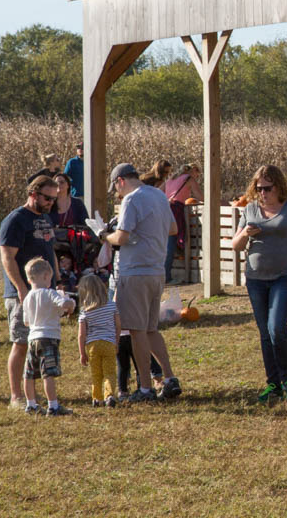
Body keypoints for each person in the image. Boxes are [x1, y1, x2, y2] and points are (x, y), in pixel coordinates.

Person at [230, 165, 287, 403]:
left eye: (267, 188)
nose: (263, 193)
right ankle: (273, 383)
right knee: (264, 332)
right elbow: (235, 245)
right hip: (256, 279)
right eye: (259, 188)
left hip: (286, 276)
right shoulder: (250, 210)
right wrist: (245, 234)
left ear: (278, 186)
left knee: (276, 326)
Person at [96, 162, 181, 403]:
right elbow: (173, 228)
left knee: (136, 330)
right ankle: (170, 378)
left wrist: (104, 235)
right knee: (152, 328)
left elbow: (121, 237)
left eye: (116, 188)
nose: (117, 193)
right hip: (157, 270)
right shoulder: (159, 195)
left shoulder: (131, 200)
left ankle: (145, 387)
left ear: (120, 181)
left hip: (134, 272)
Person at [3, 177, 60, 412]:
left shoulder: (45, 218)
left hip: (46, 292)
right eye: (47, 198)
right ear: (33, 194)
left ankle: (35, 393)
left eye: (54, 199)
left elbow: (50, 251)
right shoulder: (16, 220)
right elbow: (7, 257)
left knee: (42, 341)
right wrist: (21, 289)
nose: (51, 203)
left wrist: (57, 280)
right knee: (22, 342)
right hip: (24, 294)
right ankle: (17, 395)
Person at [19, 257, 75, 415]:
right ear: (45, 276)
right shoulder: (50, 293)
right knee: (48, 373)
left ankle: (31, 404)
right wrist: (69, 300)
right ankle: (53, 405)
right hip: (49, 337)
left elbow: (26, 322)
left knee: (29, 373)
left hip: (32, 338)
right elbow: (65, 306)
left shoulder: (28, 297)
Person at [77, 273, 119, 407]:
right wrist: (116, 341)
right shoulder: (111, 306)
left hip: (92, 346)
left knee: (96, 374)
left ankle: (97, 398)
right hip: (109, 343)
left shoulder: (85, 311)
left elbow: (81, 335)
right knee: (110, 372)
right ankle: (109, 395)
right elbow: (118, 325)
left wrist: (82, 353)